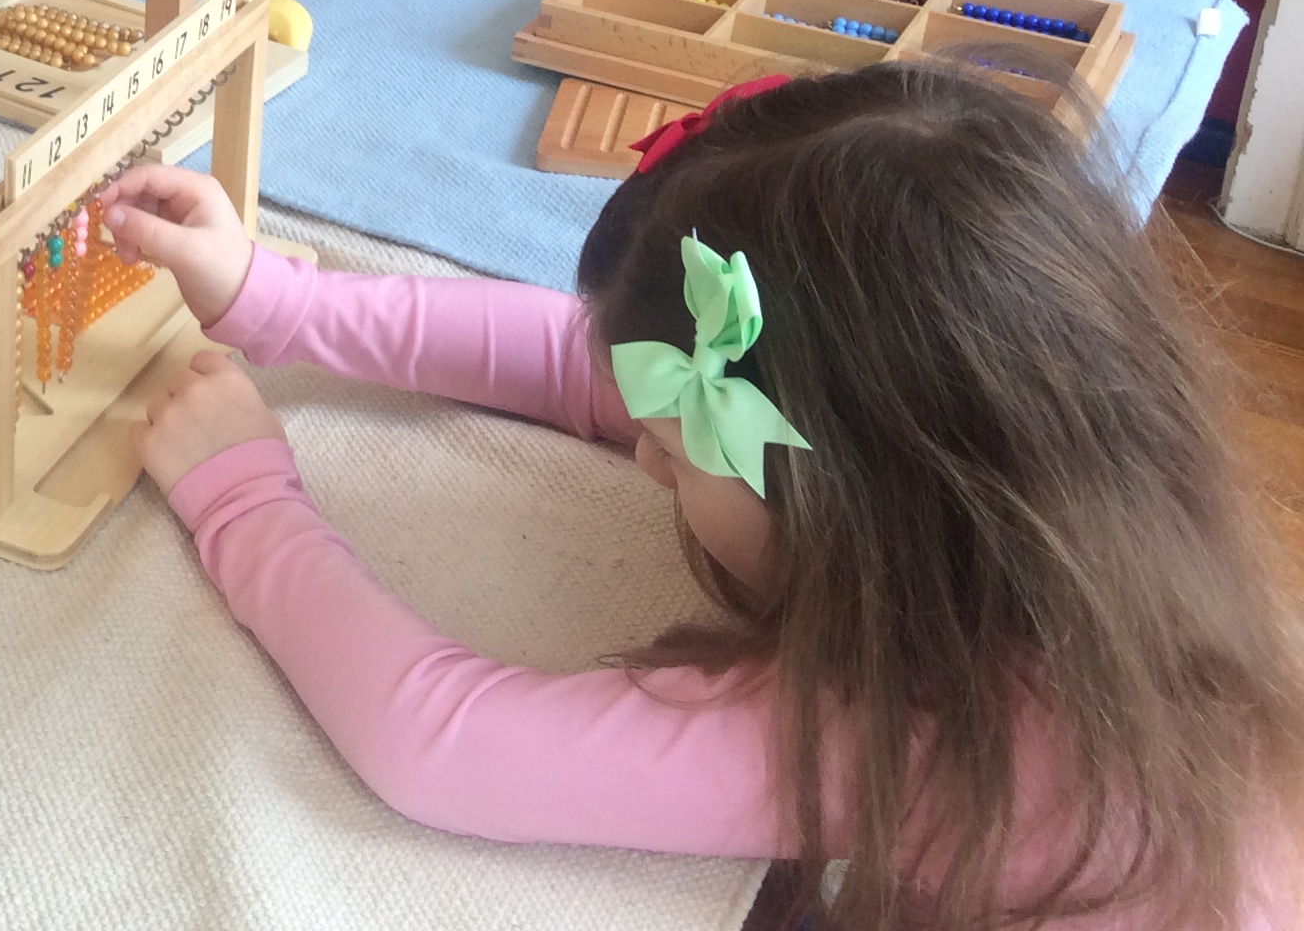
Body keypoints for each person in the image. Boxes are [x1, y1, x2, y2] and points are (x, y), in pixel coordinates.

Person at [101, 63, 1301, 928]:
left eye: (677, 452)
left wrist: (243, 497)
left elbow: (443, 744)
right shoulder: (1079, 512)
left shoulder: (910, 723)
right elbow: (593, 365)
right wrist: (281, 300)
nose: (645, 460)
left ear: (836, 495)